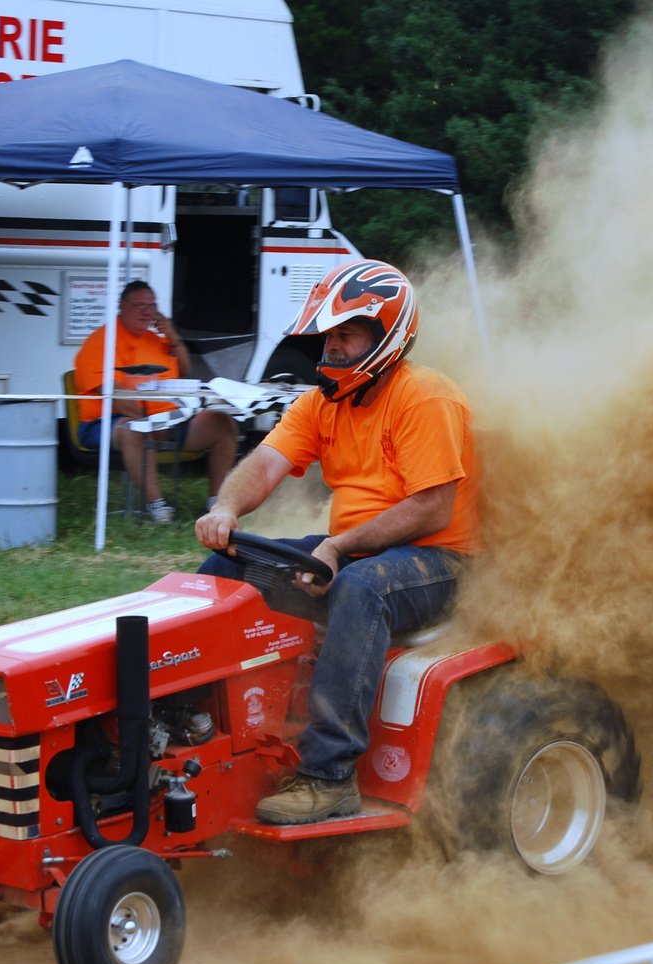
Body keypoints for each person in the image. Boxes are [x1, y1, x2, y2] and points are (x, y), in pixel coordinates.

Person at [194, 260, 480, 825]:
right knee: (224, 567)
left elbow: (432, 508)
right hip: (358, 551)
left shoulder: (424, 397)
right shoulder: (323, 401)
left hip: (443, 561)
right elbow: (267, 464)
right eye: (329, 334)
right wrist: (224, 506)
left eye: (346, 334)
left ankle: (328, 777)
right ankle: (205, 735)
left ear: (386, 335)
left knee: (359, 588)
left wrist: (338, 546)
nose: (333, 345)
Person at [73, 281, 238, 523]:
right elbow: (116, 398)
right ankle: (157, 506)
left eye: (152, 307)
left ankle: (217, 505)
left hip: (167, 422)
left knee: (222, 424)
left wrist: (173, 338)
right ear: (122, 306)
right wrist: (152, 422)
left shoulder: (155, 340)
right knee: (135, 430)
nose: (147, 313)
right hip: (107, 422)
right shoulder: (101, 342)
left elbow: (184, 369)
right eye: (139, 306)